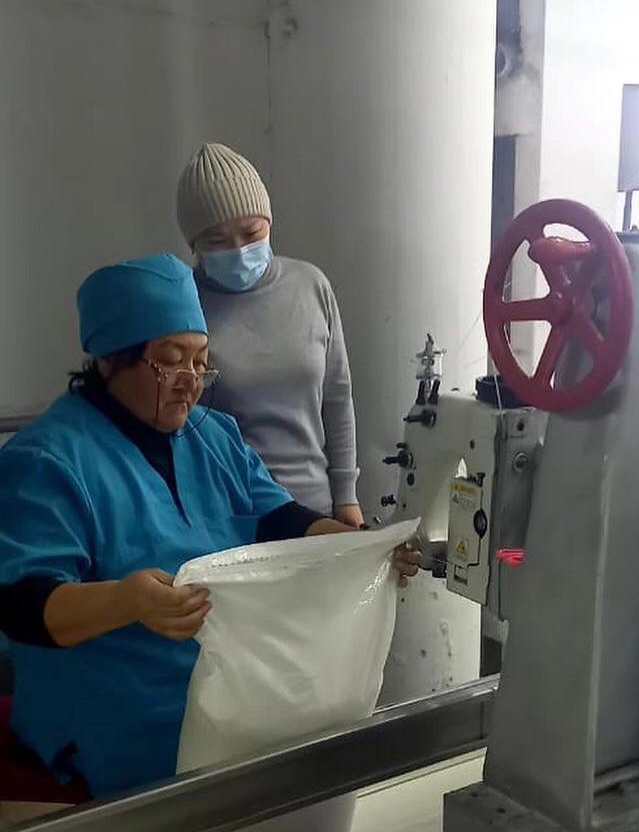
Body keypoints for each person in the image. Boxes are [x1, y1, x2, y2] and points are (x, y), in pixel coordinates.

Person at [0, 254, 418, 799]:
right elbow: (22, 606)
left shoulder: (212, 436)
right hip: (119, 714)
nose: (190, 384)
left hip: (221, 688)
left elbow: (277, 519)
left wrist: (367, 548)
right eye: (170, 362)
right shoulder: (48, 461)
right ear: (107, 360)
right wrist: (126, 601)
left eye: (201, 363)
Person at [176, 143, 363, 526]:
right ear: (194, 245)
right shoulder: (183, 303)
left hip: (316, 508)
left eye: (250, 232)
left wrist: (346, 498)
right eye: (217, 241)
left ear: (269, 223)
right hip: (233, 516)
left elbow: (337, 397)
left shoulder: (311, 286)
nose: (238, 249)